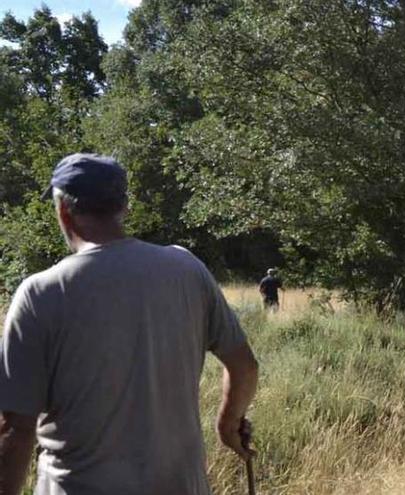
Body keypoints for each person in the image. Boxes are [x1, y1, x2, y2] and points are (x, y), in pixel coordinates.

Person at [0, 154, 259, 494]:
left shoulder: (41, 293)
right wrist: (229, 423)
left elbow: (15, 428)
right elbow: (244, 366)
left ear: (63, 209)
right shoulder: (186, 269)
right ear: (123, 207)